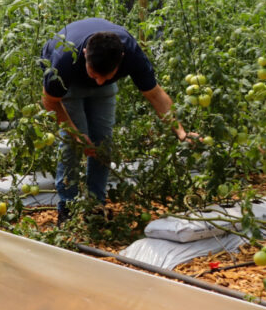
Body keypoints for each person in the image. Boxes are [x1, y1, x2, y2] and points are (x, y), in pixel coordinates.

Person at [40, 17, 194, 224]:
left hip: (101, 90)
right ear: (85, 54)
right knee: (72, 145)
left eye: (107, 76)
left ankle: (96, 204)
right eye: (95, 74)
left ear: (121, 59)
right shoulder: (64, 58)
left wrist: (180, 131)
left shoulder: (130, 52)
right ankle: (68, 207)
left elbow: (155, 94)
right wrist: (76, 134)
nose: (99, 81)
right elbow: (50, 101)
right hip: (70, 85)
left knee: (103, 143)